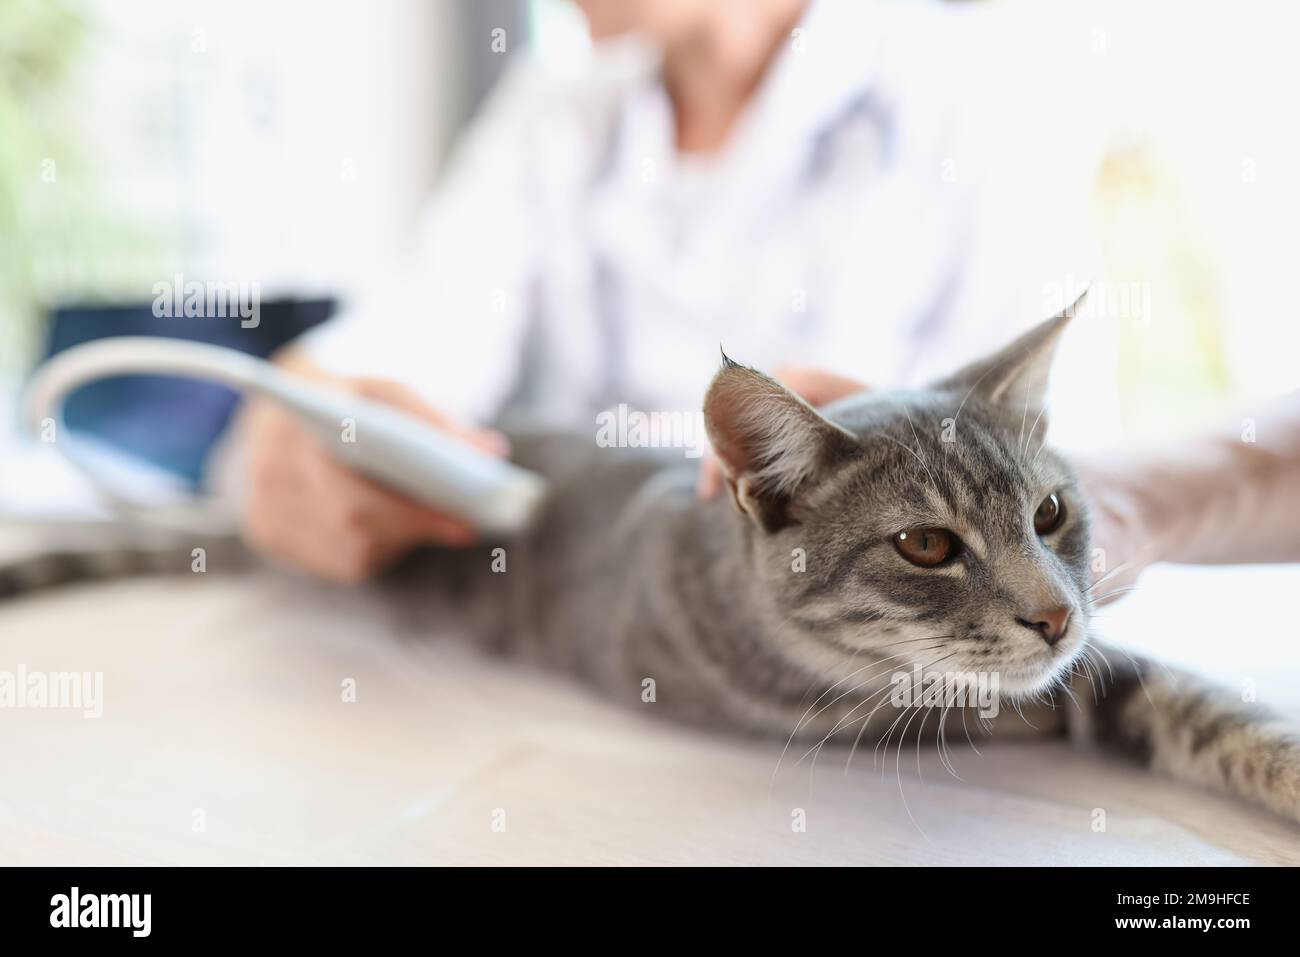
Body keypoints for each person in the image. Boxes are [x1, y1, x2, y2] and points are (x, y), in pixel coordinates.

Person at [237, 0, 1096, 583]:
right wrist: (289, 431)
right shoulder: (552, 113)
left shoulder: (979, 102)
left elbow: (1070, 497)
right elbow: (397, 341)